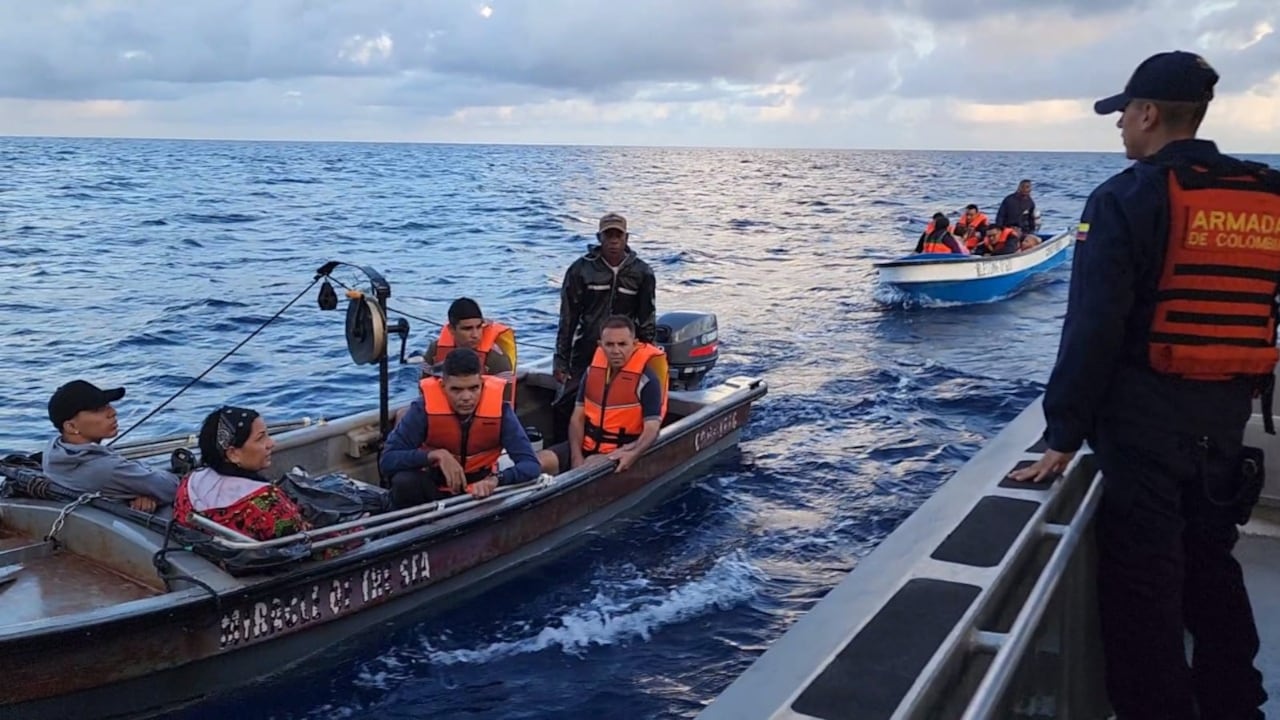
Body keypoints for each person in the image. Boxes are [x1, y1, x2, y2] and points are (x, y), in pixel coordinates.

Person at [1009, 50, 1273, 719]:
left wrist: (1062, 435)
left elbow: (1093, 326)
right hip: (1223, 422)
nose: (1119, 125)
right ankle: (1237, 705)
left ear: (1150, 113)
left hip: (1143, 431)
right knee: (1213, 570)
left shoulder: (1126, 197)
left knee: (1145, 594)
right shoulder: (1265, 196)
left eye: (1124, 112)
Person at [380, 348, 541, 510]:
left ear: (482, 385)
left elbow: (531, 465)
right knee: (403, 482)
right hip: (434, 489)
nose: (466, 397)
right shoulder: (423, 409)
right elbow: (388, 460)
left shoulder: (501, 411)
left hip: (481, 492)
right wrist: (434, 455)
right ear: (443, 386)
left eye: (473, 388)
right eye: (456, 390)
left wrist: (496, 480)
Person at [553, 212, 657, 435]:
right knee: (565, 402)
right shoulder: (580, 269)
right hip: (586, 350)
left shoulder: (643, 272)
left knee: (623, 400)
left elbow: (647, 317)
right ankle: (565, 452)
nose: (613, 241)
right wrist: (561, 359)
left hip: (625, 351)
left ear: (626, 238)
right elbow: (568, 317)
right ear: (599, 238)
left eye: (618, 235)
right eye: (608, 235)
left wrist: (648, 355)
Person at [538, 315, 668, 475]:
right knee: (539, 461)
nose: (616, 351)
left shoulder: (647, 380)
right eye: (610, 345)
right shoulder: (591, 372)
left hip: (617, 451)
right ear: (601, 345)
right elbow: (577, 417)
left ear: (634, 344)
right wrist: (576, 457)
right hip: (586, 445)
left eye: (622, 344)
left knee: (589, 466)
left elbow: (652, 428)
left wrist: (633, 454)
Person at [174, 406, 308, 541]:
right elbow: (302, 544)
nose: (271, 443)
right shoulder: (269, 502)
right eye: (260, 438)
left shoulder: (188, 483)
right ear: (233, 454)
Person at [42, 379, 178, 512]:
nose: (112, 412)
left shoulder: (52, 452)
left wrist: (130, 496)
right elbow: (172, 487)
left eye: (108, 405)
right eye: (98, 409)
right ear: (71, 426)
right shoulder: (109, 469)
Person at [422, 297, 516, 379]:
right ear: (451, 329)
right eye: (467, 329)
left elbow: (506, 397)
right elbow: (423, 386)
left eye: (479, 327)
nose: (475, 335)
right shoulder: (434, 351)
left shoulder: (496, 358)